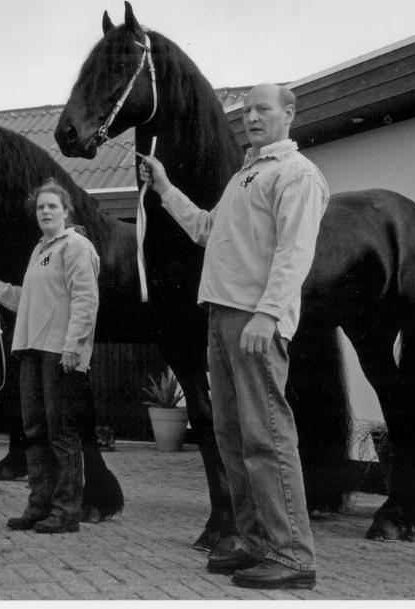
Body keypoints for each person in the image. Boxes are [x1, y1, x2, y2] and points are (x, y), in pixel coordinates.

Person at [139, 83, 327, 590]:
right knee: (232, 436)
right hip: (221, 318)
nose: (252, 117)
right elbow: (204, 229)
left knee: (266, 436)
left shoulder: (297, 174)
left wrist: (268, 314)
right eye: (247, 111)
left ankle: (292, 555)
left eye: (264, 108)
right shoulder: (244, 176)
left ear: (290, 113)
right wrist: (163, 188)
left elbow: (294, 252)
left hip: (254, 319)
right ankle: (253, 541)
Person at [0, 179, 100, 534]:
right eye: (41, 207)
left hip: (60, 351)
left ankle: (65, 511)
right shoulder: (40, 250)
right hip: (32, 348)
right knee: (35, 430)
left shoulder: (76, 246)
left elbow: (86, 301)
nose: (45, 212)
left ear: (65, 211)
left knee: (61, 433)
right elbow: (25, 298)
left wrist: (75, 346)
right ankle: (39, 505)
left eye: (52, 207)